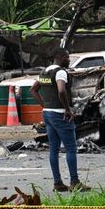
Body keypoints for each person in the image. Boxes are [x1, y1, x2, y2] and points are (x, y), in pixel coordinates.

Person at [30, 49, 91, 193]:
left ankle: (57, 183)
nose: (69, 60)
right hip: (60, 115)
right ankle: (74, 182)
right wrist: (67, 110)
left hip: (47, 114)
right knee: (71, 148)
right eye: (68, 58)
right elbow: (61, 90)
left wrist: (44, 105)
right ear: (62, 58)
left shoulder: (44, 72)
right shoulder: (61, 72)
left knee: (54, 149)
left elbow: (33, 90)